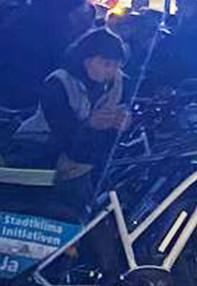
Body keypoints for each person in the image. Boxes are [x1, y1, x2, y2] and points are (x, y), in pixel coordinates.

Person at [14, 29, 130, 188]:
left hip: (88, 154)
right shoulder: (58, 82)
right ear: (87, 61)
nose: (112, 71)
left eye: (117, 65)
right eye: (106, 64)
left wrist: (123, 123)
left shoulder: (118, 83)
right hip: (40, 144)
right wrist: (90, 125)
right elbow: (62, 130)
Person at [0, 0, 92, 111]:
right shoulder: (56, 31)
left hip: (0, 91)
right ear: (70, 10)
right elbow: (59, 63)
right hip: (30, 98)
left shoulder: (21, 18)